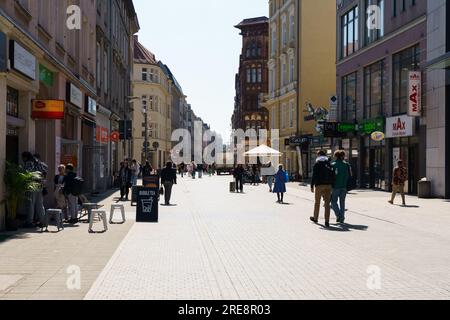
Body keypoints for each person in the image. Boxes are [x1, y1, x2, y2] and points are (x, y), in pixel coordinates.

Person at [310, 150, 335, 228]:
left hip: (319, 185)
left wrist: (312, 185)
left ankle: (315, 218)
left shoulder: (317, 164)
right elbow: (333, 175)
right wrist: (332, 185)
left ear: (319, 155)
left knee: (317, 202)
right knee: (327, 204)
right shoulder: (329, 164)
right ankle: (327, 221)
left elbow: (314, 175)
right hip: (328, 186)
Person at [21, 152, 46, 228]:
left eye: (23, 157)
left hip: (32, 185)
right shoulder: (39, 163)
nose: (22, 159)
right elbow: (44, 172)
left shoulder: (28, 163)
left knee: (31, 204)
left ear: (25, 157)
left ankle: (30, 222)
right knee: (39, 204)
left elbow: (26, 173)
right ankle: (43, 221)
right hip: (40, 185)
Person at [331, 150, 351, 224]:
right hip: (344, 186)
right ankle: (341, 217)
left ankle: (338, 215)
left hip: (336, 186)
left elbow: (331, 177)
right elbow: (348, 176)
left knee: (333, 202)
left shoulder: (333, 164)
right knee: (342, 202)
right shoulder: (346, 164)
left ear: (336, 156)